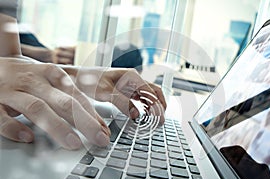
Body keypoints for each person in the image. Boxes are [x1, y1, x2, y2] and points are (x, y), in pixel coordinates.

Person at [0, 0, 166, 150]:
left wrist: (75, 74)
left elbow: (10, 56)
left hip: (29, 51)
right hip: (32, 58)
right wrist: (46, 60)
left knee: (130, 53)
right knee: (130, 55)